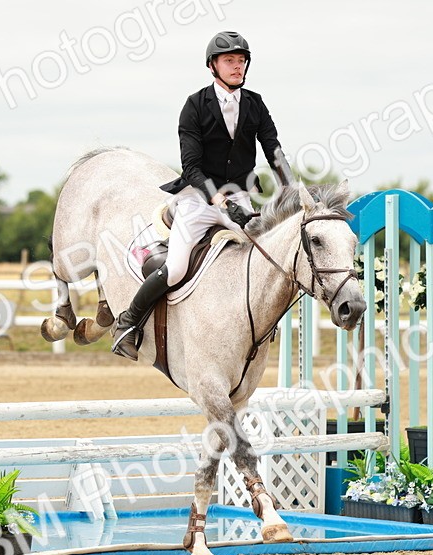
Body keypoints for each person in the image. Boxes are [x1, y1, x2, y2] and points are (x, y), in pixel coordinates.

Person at [112, 31, 296, 360]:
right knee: (177, 267)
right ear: (213, 65)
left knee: (266, 258)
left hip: (240, 198)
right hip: (199, 200)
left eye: (241, 61)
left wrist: (292, 188)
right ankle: (129, 322)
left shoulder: (255, 103)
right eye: (230, 61)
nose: (237, 67)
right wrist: (223, 203)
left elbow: (274, 149)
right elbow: (192, 167)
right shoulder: (195, 106)